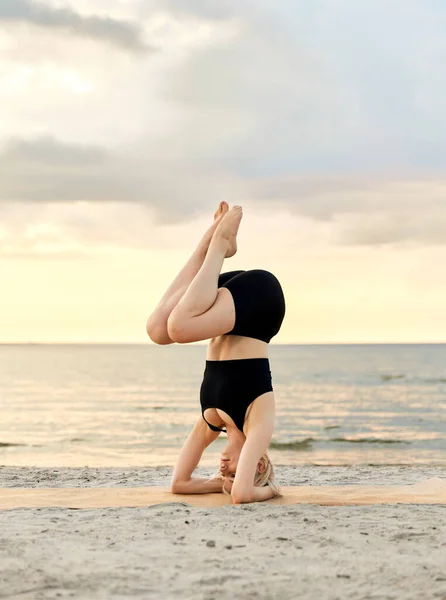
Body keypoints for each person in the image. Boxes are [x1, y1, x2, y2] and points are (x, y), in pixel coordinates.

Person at [146, 202, 286, 504]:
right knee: (180, 328)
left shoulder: (212, 421)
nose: (225, 470)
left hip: (229, 311)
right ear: (259, 463)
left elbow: (179, 484)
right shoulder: (258, 424)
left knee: (159, 329)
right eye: (234, 472)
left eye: (228, 475)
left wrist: (215, 483)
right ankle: (220, 246)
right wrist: (271, 489)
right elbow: (242, 495)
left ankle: (210, 240)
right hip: (262, 302)